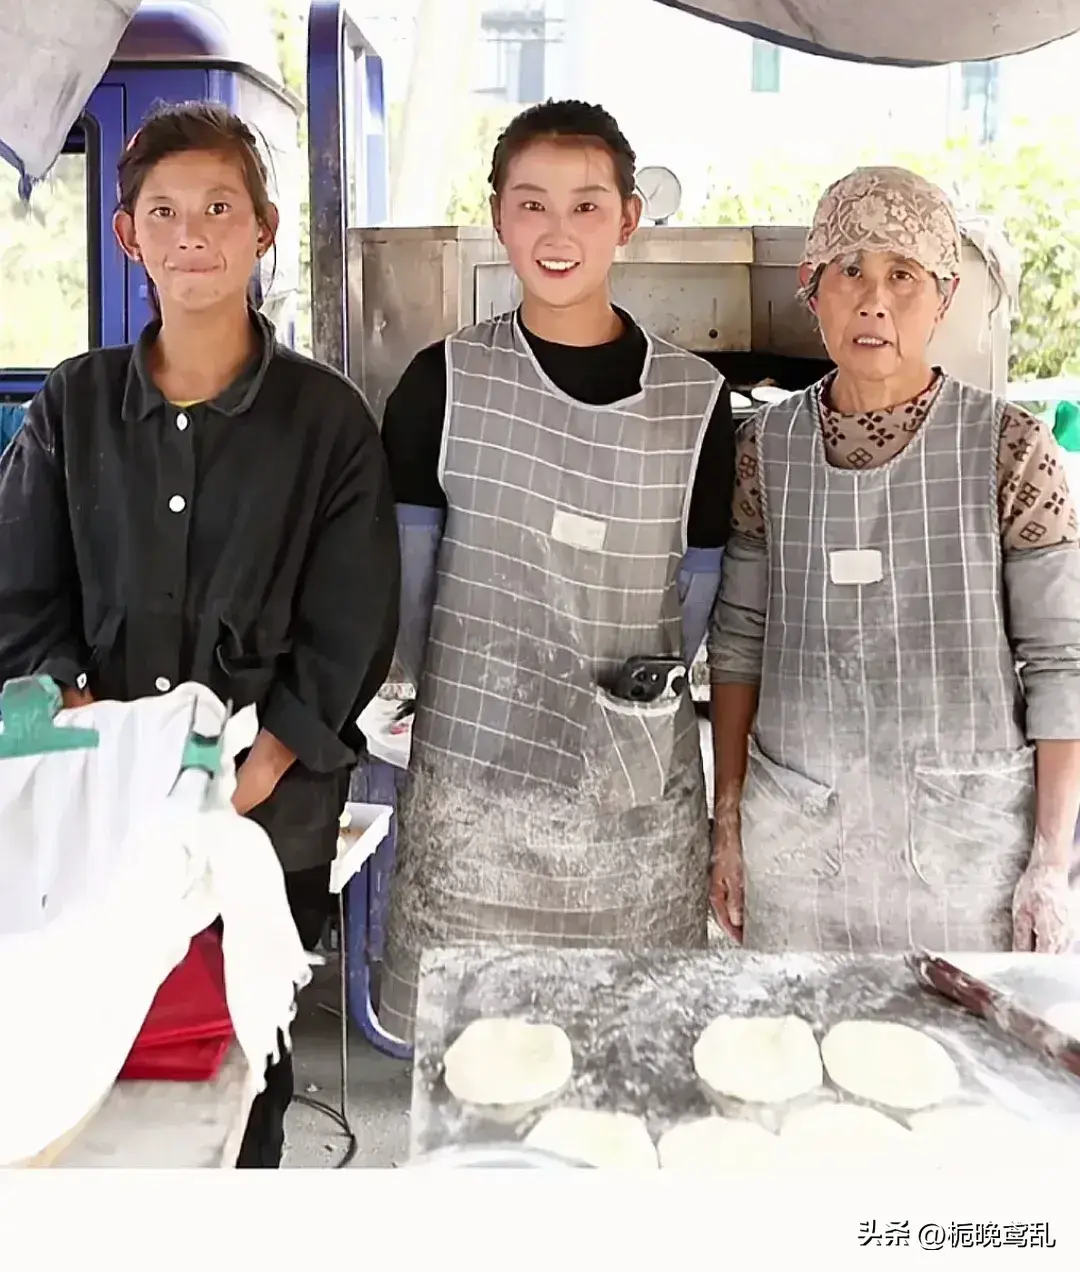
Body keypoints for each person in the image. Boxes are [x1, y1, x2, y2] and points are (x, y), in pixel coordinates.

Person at [0, 101, 399, 1165]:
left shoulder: (328, 421)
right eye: (164, 211)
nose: (193, 234)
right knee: (98, 1062)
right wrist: (76, 711)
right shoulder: (72, 409)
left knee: (241, 1075)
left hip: (269, 817)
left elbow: (353, 619)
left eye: (220, 207)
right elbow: (20, 592)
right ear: (127, 235)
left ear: (262, 228)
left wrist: (271, 756)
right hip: (106, 805)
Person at [378, 99, 736, 1041]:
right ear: (498, 216)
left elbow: (695, 600)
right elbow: (410, 595)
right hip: (474, 802)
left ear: (627, 219)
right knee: (470, 1069)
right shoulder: (440, 381)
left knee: (633, 1066)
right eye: (531, 204)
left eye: (586, 206)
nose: (558, 231)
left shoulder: (697, 402)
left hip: (634, 812)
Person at [708, 164, 1080, 956]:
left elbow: (1062, 662)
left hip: (961, 860)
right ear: (812, 291)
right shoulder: (763, 453)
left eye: (902, 275)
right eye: (850, 271)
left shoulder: (1013, 452)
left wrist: (1052, 858)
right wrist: (729, 820)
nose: (874, 299)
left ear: (944, 296)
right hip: (798, 851)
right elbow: (738, 643)